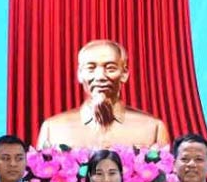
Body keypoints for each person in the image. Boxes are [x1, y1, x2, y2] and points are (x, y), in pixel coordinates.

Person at [37, 39, 170, 149]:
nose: (100, 76)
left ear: (124, 74)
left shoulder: (153, 127)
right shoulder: (52, 128)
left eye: (110, 68)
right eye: (91, 68)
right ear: (79, 74)